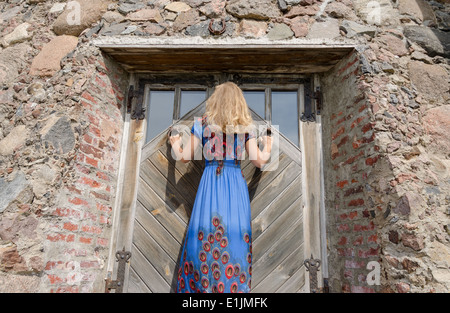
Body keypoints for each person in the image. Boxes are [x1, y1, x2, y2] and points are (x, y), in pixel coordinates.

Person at [169, 82, 273, 293]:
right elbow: (259, 161)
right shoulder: (246, 128)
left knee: (203, 237)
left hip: (210, 183)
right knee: (235, 238)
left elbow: (184, 157)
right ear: (239, 104)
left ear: (214, 101)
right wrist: (268, 144)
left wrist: (174, 143)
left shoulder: (202, 124)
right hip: (234, 183)